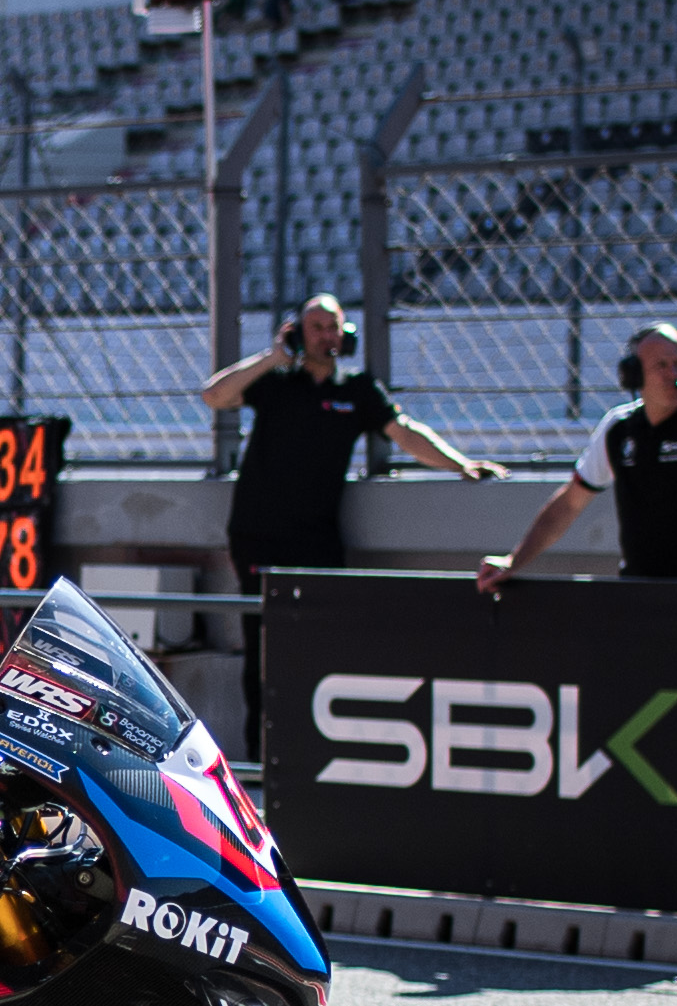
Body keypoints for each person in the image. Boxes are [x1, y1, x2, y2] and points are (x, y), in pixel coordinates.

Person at [200, 291, 507, 754]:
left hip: (317, 539)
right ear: (298, 333)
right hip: (259, 535)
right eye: (316, 328)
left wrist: (460, 464)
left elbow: (404, 431)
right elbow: (214, 395)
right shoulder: (276, 383)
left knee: (320, 642)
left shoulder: (357, 389)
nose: (326, 336)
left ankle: (313, 751)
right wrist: (274, 356)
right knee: (263, 644)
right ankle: (261, 757)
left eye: (333, 327)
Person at [478, 322, 677, 605]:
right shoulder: (618, 428)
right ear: (634, 375)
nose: (674, 373)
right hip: (636, 590)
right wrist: (514, 561)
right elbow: (569, 503)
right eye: (661, 365)